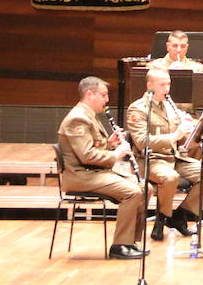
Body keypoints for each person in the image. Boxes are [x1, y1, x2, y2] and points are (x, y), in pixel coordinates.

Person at [126, 67, 203, 241]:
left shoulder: (170, 106)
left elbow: (180, 140)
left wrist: (193, 132)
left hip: (174, 157)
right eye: (162, 85)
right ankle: (161, 220)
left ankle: (180, 216)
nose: (167, 89)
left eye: (168, 84)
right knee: (170, 177)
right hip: (150, 160)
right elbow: (141, 141)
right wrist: (174, 136)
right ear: (150, 86)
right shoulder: (138, 109)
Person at [56, 76, 145, 258]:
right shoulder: (78, 119)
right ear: (90, 94)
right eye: (103, 95)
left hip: (93, 172)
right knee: (133, 192)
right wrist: (116, 154)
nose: (107, 100)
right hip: (81, 176)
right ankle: (119, 246)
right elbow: (87, 155)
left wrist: (110, 144)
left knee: (146, 188)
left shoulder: (89, 116)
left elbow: (92, 147)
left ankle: (130, 242)